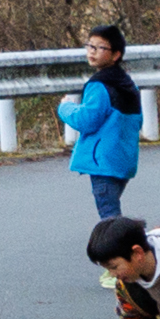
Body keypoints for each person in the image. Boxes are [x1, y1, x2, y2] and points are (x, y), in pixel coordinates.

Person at [65, 24, 145, 224]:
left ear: (116, 54)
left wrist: (65, 108)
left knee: (110, 220)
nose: (92, 52)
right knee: (112, 213)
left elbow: (86, 120)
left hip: (103, 162)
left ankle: (125, 251)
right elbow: (137, 120)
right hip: (123, 160)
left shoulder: (99, 85)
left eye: (100, 48)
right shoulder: (127, 83)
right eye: (89, 46)